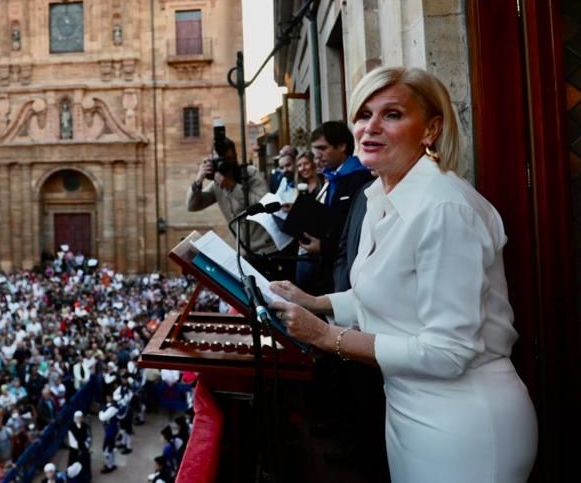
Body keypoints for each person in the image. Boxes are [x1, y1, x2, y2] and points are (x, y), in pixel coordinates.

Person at [269, 66, 538, 482]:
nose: (370, 127)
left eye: (391, 114)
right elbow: (388, 293)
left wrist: (325, 336)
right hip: (409, 411)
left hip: (463, 424)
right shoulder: (381, 195)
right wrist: (316, 303)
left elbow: (448, 351)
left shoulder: (444, 209)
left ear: (430, 129)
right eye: (363, 114)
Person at [297, 120, 373, 295]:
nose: (317, 156)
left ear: (341, 146)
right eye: (315, 150)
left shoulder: (358, 178)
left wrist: (323, 247)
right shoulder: (333, 177)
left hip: (347, 267)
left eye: (323, 149)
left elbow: (351, 229)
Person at [187, 153, 288, 280]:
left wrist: (232, 186)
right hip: (246, 252)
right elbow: (192, 206)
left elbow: (264, 203)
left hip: (270, 249)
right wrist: (198, 180)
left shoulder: (250, 174)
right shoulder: (217, 185)